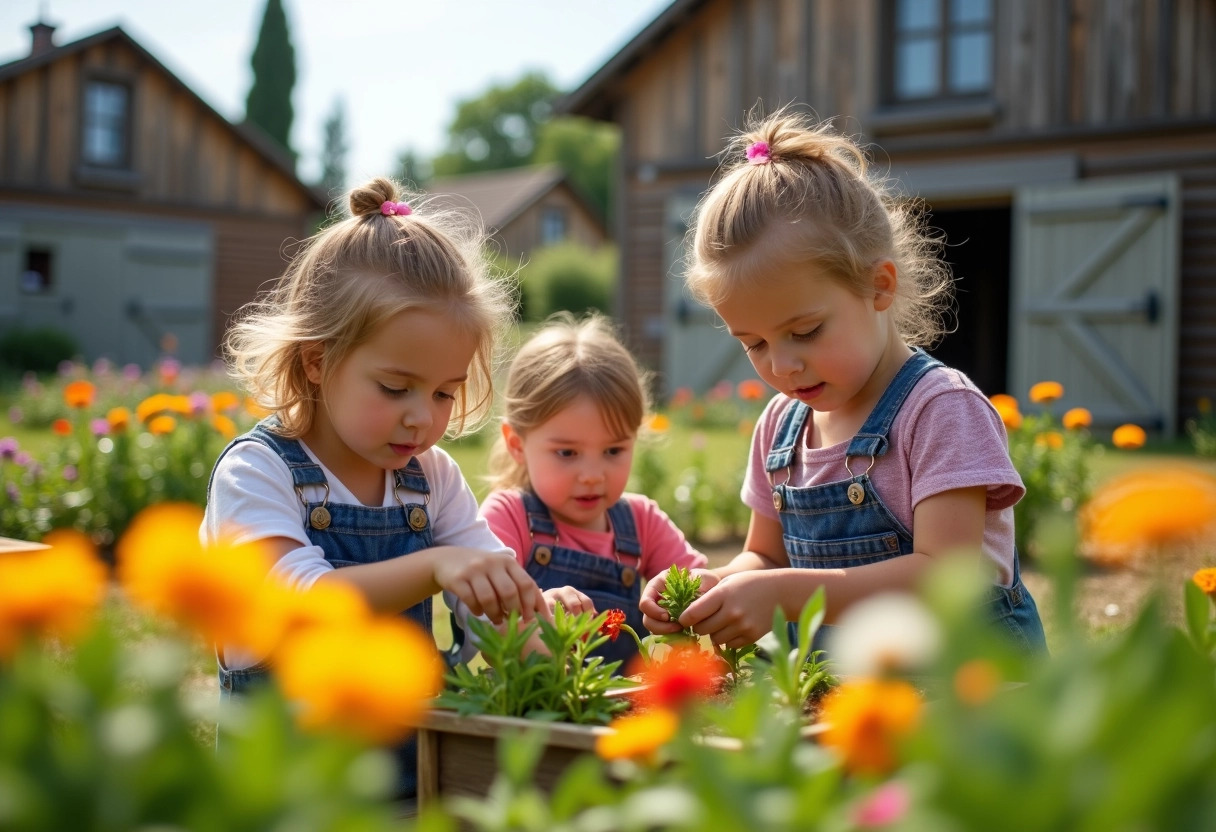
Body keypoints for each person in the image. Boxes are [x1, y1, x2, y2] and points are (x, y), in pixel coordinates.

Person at [640, 110, 1047, 655]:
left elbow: (941, 578)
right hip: (846, 701)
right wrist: (721, 586)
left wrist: (782, 593)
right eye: (753, 344)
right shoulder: (780, 430)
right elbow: (765, 557)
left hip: (968, 695)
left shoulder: (940, 410)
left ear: (878, 286)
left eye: (804, 331)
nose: (781, 366)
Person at [202, 177, 550, 797]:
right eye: (396, 388)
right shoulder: (258, 473)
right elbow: (304, 607)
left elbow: (487, 583)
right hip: (284, 792)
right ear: (317, 360)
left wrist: (529, 616)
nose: (423, 416)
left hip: (407, 785)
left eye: (444, 391)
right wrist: (439, 565)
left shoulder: (431, 478)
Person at [479, 314, 708, 668]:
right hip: (536, 713)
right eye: (567, 453)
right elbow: (485, 622)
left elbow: (700, 582)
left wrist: (682, 599)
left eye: (613, 451)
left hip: (626, 715)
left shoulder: (640, 521)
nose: (592, 475)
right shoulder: (509, 516)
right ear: (517, 444)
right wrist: (536, 609)